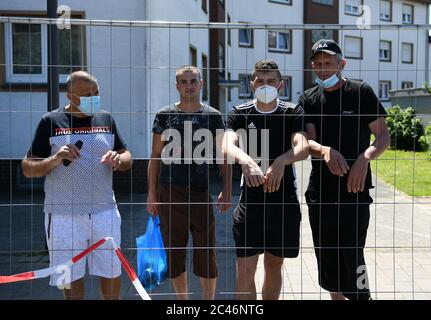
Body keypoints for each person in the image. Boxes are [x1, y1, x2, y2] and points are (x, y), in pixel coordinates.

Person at [21, 71, 133, 300]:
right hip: (64, 215)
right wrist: (54, 159)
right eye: (87, 94)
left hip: (105, 212)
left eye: (96, 92)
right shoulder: (50, 122)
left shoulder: (106, 119)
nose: (94, 97)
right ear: (71, 96)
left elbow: (127, 156)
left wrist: (119, 160)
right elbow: (27, 167)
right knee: (70, 279)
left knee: (112, 271)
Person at [298, 39, 391, 300]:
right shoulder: (309, 98)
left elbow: (383, 137)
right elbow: (308, 140)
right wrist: (326, 150)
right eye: (317, 64)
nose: (323, 69)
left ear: (342, 64)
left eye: (328, 63)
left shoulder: (361, 92)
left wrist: (365, 158)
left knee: (352, 254)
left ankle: (363, 298)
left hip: (355, 188)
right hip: (321, 191)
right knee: (327, 255)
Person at [222, 60, 309, 300]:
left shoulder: (292, 112)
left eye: (271, 81)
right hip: (250, 203)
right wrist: (246, 161)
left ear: (281, 85)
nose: (265, 85)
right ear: (251, 84)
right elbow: (227, 145)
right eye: (260, 81)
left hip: (284, 202)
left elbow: (302, 147)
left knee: (273, 267)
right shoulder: (239, 113)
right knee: (245, 271)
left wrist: (282, 161)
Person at [146, 65, 231, 300]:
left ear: (201, 83)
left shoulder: (213, 116)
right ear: (177, 86)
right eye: (183, 82)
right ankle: (183, 303)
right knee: (174, 254)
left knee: (206, 253)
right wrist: (152, 194)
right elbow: (155, 156)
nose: (189, 85)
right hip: (170, 193)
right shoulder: (164, 115)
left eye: (193, 81)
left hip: (201, 192)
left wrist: (226, 189)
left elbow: (224, 155)